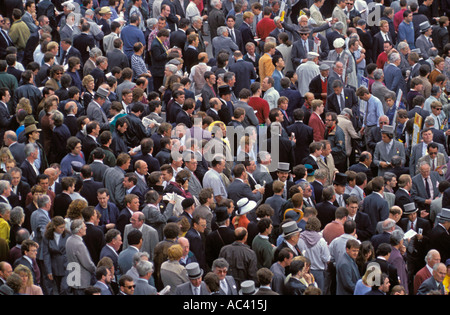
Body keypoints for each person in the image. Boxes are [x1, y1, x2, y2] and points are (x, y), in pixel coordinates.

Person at [65, 219, 96, 295]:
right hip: (82, 282)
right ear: (79, 230)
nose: (86, 228)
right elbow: (87, 264)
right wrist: (96, 270)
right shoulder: (79, 244)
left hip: (74, 279)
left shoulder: (69, 240)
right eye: (84, 226)